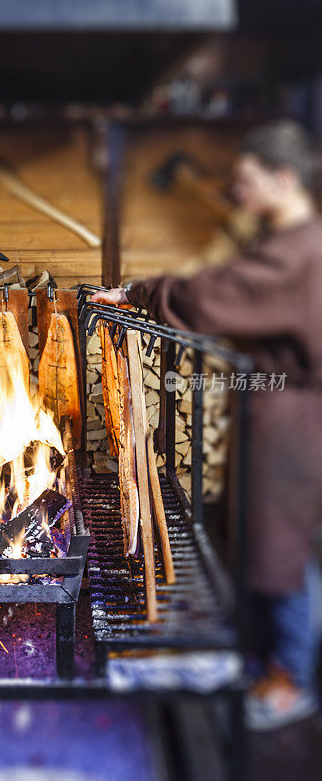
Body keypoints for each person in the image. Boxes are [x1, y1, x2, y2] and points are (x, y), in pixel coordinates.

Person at [92, 119, 322, 730]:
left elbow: (214, 295)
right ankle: (265, 658)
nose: (239, 192)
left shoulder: (300, 251)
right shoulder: (292, 244)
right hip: (277, 399)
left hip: (297, 416)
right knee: (273, 538)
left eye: (247, 180)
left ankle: (293, 677)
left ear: (284, 177)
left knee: (286, 547)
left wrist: (139, 294)